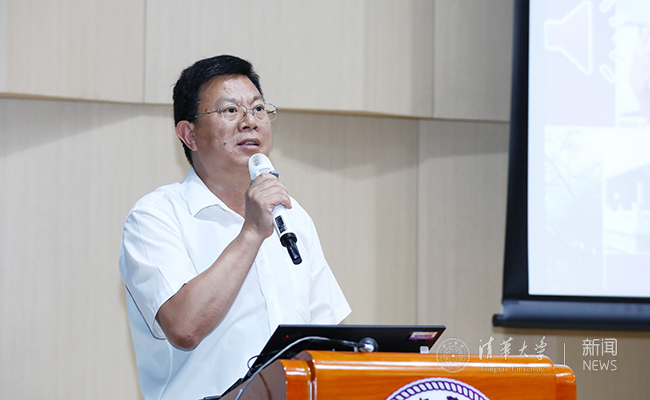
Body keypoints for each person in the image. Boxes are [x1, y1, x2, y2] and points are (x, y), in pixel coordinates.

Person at [119, 55, 350, 400]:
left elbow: (326, 338)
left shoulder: (291, 215)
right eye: (230, 111)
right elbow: (184, 327)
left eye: (258, 109)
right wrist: (252, 232)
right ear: (189, 134)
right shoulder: (155, 216)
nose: (250, 122)